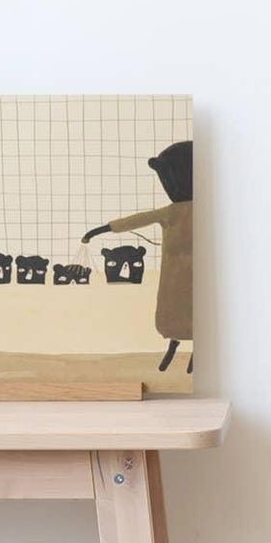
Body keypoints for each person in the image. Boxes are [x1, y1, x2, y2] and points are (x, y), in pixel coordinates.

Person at [83, 140, 193, 373]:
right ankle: (177, 349)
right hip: (176, 279)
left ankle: (180, 350)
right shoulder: (174, 212)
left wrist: (98, 231)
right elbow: (135, 220)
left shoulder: (173, 212)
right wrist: (99, 231)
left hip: (174, 279)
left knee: (178, 314)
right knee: (183, 313)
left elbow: (136, 220)